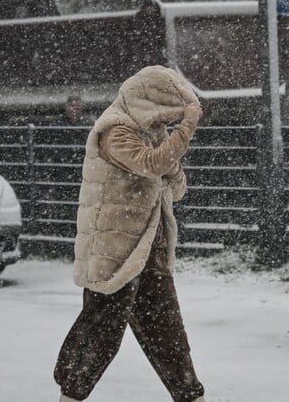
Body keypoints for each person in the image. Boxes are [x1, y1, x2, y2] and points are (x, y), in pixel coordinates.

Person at [54, 65, 206, 402]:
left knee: (168, 334)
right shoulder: (115, 131)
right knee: (99, 333)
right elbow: (151, 165)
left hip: (147, 251)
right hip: (115, 254)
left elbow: (176, 186)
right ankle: (70, 397)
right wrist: (186, 129)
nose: (163, 126)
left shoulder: (151, 134)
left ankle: (192, 396)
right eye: (161, 117)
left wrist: (171, 149)